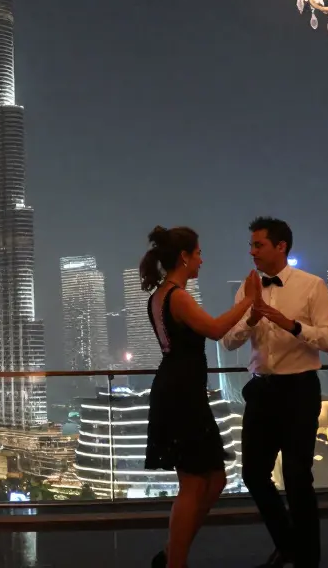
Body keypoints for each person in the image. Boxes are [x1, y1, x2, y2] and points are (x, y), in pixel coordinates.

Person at [140, 226, 261, 568]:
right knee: (193, 484)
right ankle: (175, 562)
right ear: (184, 256)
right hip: (181, 395)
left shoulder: (161, 295)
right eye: (198, 254)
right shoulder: (177, 296)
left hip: (180, 390)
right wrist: (249, 299)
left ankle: (172, 551)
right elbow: (215, 329)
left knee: (215, 479)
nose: (202, 260)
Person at [222, 217, 328, 568]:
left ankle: (308, 560)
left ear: (281, 246)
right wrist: (252, 319)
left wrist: (289, 324)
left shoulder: (311, 285)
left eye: (258, 245)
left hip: (299, 389)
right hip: (261, 390)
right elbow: (228, 341)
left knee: (298, 477)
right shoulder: (247, 289)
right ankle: (289, 545)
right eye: (251, 245)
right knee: (253, 474)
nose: (252, 252)